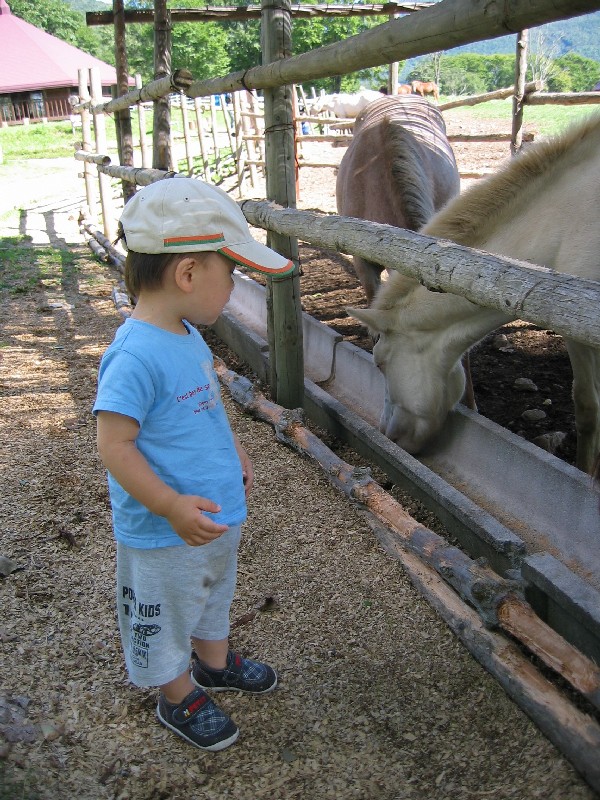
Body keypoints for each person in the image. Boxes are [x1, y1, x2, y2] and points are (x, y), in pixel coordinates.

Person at [93, 176, 294, 751]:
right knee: (165, 605)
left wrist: (234, 451)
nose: (233, 289)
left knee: (211, 590)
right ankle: (176, 692)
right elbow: (115, 446)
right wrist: (169, 505)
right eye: (230, 275)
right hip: (163, 529)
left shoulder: (186, 335)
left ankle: (212, 660)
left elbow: (205, 406)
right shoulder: (133, 357)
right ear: (187, 274)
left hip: (211, 513)